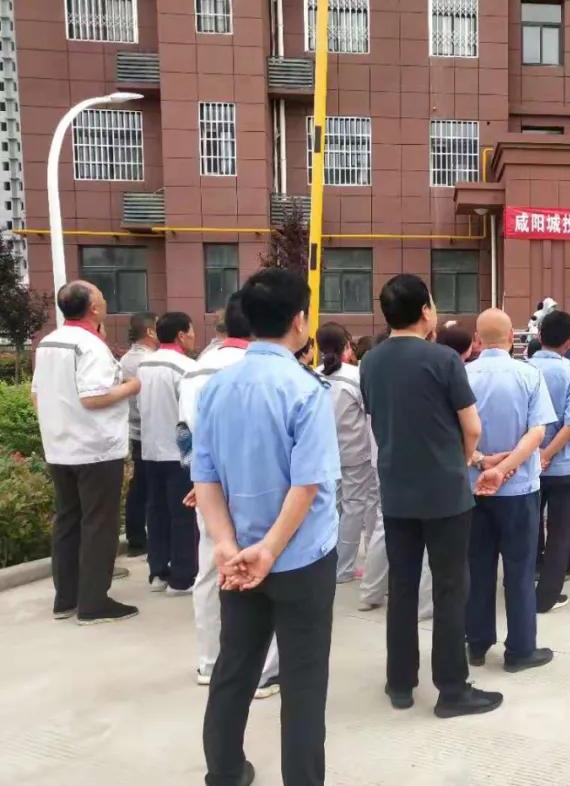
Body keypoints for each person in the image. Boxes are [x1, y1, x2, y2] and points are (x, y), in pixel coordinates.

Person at [193, 269, 340, 786]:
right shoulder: (305, 389)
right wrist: (271, 550)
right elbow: (308, 484)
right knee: (303, 682)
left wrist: (226, 544)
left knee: (235, 665)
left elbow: (205, 476)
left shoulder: (215, 388)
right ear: (299, 321)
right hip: (300, 557)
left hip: (239, 557)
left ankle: (225, 771)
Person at [360, 274, 502, 718]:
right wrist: (460, 460)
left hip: (396, 488)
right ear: (425, 311)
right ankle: (452, 689)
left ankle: (400, 682)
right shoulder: (443, 359)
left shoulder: (370, 361)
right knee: (449, 589)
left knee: (402, 587)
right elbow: (472, 427)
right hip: (444, 493)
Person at [179, 293, 280, 699]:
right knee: (260, 570)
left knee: (211, 567)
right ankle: (263, 671)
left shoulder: (196, 370)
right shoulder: (264, 370)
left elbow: (186, 435)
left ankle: (209, 661)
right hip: (257, 486)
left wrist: (200, 479)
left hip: (207, 486)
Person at [32, 281, 141, 624]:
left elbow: (36, 395)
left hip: (59, 446)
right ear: (93, 308)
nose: (105, 301)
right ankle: (94, 603)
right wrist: (131, 386)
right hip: (95, 450)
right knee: (99, 524)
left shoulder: (48, 342)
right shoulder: (90, 345)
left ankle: (66, 598)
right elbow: (93, 397)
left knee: (68, 520)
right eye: (102, 297)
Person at [465, 308, 556, 670]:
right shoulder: (528, 375)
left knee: (477, 568)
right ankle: (520, 650)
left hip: (473, 488)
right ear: (512, 338)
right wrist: (504, 469)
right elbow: (537, 432)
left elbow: (454, 432)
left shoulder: (463, 375)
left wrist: (481, 463)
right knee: (519, 571)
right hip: (518, 490)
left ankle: (476, 643)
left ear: (477, 339)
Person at [137, 312, 200, 594]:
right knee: (183, 515)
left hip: (150, 450)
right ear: (181, 335)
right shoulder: (186, 368)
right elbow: (189, 416)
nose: (194, 336)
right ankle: (182, 578)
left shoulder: (144, 365)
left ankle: (158, 572)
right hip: (178, 453)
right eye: (191, 331)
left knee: (156, 512)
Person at [529, 309, 570, 612]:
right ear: (569, 341)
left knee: (529, 527)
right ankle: (547, 596)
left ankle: (523, 582)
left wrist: (537, 454)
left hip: (526, 464)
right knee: (560, 532)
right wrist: (549, 454)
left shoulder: (523, 370)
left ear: (539, 336)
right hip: (563, 466)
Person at [314, 323, 379, 583]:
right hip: (355, 453)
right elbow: (369, 413)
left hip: (323, 454)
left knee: (329, 508)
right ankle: (343, 568)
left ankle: (327, 562)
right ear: (346, 346)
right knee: (353, 508)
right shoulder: (356, 376)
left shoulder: (313, 375)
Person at [119, 311, 158, 557]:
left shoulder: (125, 359)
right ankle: (146, 539)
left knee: (139, 485)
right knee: (153, 487)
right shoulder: (150, 361)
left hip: (135, 430)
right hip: (153, 432)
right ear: (151, 332)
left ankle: (136, 537)